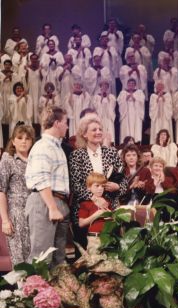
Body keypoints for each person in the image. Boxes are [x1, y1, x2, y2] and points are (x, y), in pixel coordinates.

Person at [69, 113, 127, 250]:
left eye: (100, 129)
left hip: (109, 210)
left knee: (110, 253)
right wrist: (94, 198)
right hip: (84, 211)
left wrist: (118, 186)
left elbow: (124, 181)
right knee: (85, 256)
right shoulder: (77, 155)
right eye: (94, 130)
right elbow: (75, 185)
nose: (98, 132)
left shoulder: (112, 153)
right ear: (84, 134)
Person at [25, 107, 69, 265]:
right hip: (45, 202)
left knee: (58, 259)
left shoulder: (57, 147)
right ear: (57, 123)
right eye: (65, 122)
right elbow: (41, 178)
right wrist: (52, 207)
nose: (67, 126)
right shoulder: (43, 146)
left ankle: (52, 290)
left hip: (58, 202)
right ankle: (34, 290)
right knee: (41, 258)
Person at [0, 124, 35, 265]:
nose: (23, 141)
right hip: (16, 216)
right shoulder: (7, 160)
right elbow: (1, 191)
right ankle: (23, 287)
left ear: (32, 141)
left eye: (27, 138)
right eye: (20, 138)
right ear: (13, 141)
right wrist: (5, 220)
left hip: (34, 214)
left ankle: (37, 286)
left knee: (35, 258)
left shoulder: (35, 161)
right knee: (19, 260)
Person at [78, 172, 110, 253]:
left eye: (102, 186)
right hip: (94, 238)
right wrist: (97, 214)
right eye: (97, 186)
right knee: (94, 261)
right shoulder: (86, 204)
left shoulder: (107, 203)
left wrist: (110, 215)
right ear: (89, 188)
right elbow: (81, 223)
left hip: (108, 237)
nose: (100, 189)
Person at [118, 78, 145, 143]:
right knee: (126, 128)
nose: (131, 85)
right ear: (127, 84)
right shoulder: (123, 93)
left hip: (136, 113)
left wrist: (135, 99)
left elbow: (142, 102)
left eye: (133, 84)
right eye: (129, 84)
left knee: (136, 128)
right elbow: (120, 102)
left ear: (135, 85)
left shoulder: (139, 92)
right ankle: (126, 142)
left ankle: (136, 141)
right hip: (126, 114)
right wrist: (125, 99)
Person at [92, 80, 116, 145]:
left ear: (108, 88)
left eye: (106, 86)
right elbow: (95, 107)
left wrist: (107, 98)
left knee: (109, 129)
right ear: (100, 87)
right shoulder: (96, 97)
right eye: (103, 86)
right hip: (101, 117)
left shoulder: (111, 96)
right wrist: (101, 98)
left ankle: (110, 143)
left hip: (108, 117)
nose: (104, 88)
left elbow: (113, 106)